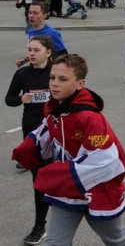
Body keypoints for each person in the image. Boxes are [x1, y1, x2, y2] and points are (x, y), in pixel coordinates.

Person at [11, 54, 125, 246]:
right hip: (68, 190)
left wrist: (59, 175)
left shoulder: (90, 118)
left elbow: (106, 161)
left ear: (80, 84)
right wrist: (27, 150)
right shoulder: (54, 109)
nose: (55, 84)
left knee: (116, 239)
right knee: (55, 243)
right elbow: (46, 130)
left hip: (97, 189)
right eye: (52, 78)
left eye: (63, 79)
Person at [5, 36, 53, 244]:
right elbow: (9, 99)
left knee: (59, 176)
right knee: (39, 178)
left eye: (36, 50)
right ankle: (40, 226)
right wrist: (21, 99)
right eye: (29, 50)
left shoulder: (57, 73)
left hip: (56, 129)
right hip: (32, 129)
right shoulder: (22, 73)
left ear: (48, 52)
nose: (32, 54)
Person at [14, 2, 68, 69]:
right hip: (34, 68)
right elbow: (35, 51)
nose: (31, 16)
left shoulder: (52, 33)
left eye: (35, 13)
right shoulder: (30, 30)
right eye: (30, 13)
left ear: (44, 16)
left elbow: (62, 55)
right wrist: (24, 60)